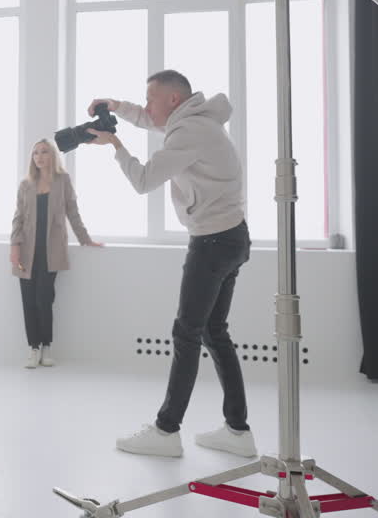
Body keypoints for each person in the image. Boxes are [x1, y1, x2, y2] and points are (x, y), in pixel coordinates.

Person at [85, 70, 256, 458]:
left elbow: (144, 180)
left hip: (212, 242)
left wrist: (115, 144)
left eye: (150, 98)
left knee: (187, 333)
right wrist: (116, 107)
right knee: (214, 332)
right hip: (232, 237)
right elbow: (151, 119)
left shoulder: (187, 133)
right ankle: (238, 431)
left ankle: (165, 432)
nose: (145, 107)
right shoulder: (196, 122)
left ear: (173, 100)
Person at [10, 138, 102, 369]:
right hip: (26, 251)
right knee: (28, 301)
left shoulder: (62, 181)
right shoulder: (25, 184)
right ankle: (33, 348)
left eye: (44, 152)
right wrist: (14, 246)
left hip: (51, 251)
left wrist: (85, 239)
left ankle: (46, 346)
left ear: (52, 155)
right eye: (35, 153)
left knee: (44, 299)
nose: (39, 157)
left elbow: (73, 211)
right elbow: (18, 218)